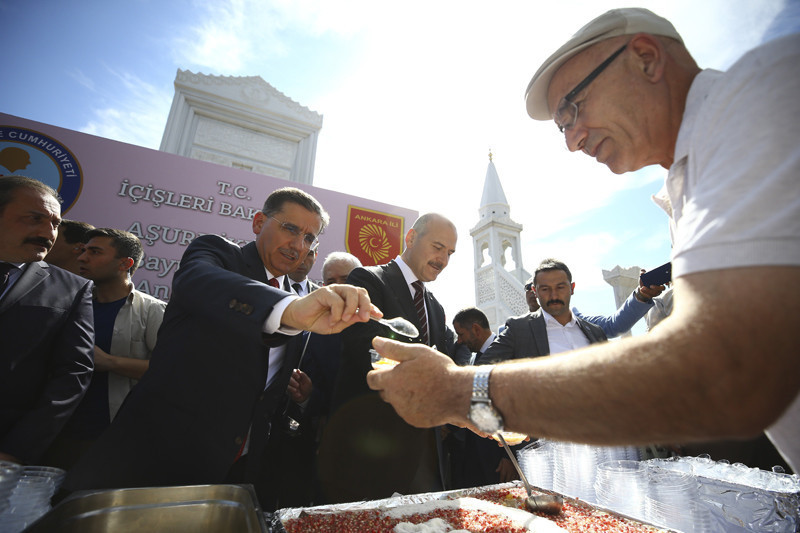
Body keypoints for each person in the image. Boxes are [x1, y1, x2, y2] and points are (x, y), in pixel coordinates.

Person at [366, 8, 800, 473]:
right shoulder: (685, 179)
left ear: (646, 58)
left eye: (573, 107)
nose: (572, 141)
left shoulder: (760, 101)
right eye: (561, 126)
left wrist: (460, 393)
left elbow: (723, 368)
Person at [64, 187, 377, 497]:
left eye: (309, 238)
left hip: (239, 471)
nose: (298, 244)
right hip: (158, 457)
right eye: (290, 228)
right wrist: (288, 310)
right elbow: (199, 281)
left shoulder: (303, 300)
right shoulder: (217, 255)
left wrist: (299, 398)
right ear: (258, 223)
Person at [320, 213, 465, 502]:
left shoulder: (435, 307)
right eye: (437, 247)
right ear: (411, 238)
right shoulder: (368, 280)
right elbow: (367, 347)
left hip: (424, 457)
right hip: (370, 450)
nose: (443, 260)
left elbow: (448, 366)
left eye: (449, 253)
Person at [42, 228, 167, 469]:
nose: (82, 258)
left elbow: (171, 372)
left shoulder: (153, 311)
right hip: (54, 432)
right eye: (83, 251)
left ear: (125, 263)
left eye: (95, 252)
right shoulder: (67, 305)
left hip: (111, 439)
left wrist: (109, 362)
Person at [0, 176, 94, 465]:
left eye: (55, 224)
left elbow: (73, 374)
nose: (48, 232)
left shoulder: (73, 289)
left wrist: (15, 451)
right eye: (35, 219)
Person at [478, 259, 607, 365]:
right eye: (545, 289)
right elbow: (482, 369)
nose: (554, 295)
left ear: (572, 288)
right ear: (535, 292)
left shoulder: (595, 332)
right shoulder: (519, 330)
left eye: (560, 287)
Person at [451, 307, 518, 489]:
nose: (459, 341)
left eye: (461, 334)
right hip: (475, 457)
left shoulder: (507, 354)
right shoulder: (475, 360)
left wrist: (510, 457)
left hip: (498, 459)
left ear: (476, 329)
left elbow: (515, 408)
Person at [523, 271, 663, 338]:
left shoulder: (577, 322)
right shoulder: (511, 330)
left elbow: (613, 325)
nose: (531, 291)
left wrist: (641, 295)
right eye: (528, 287)